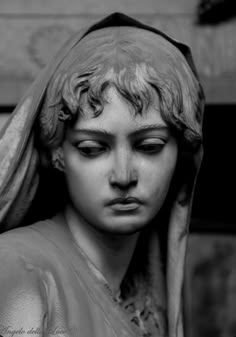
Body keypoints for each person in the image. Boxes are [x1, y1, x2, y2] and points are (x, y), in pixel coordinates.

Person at [0, 12, 204, 337]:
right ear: (57, 153)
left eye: (149, 146)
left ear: (182, 153)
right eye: (93, 149)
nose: (123, 175)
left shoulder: (150, 294)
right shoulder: (17, 269)